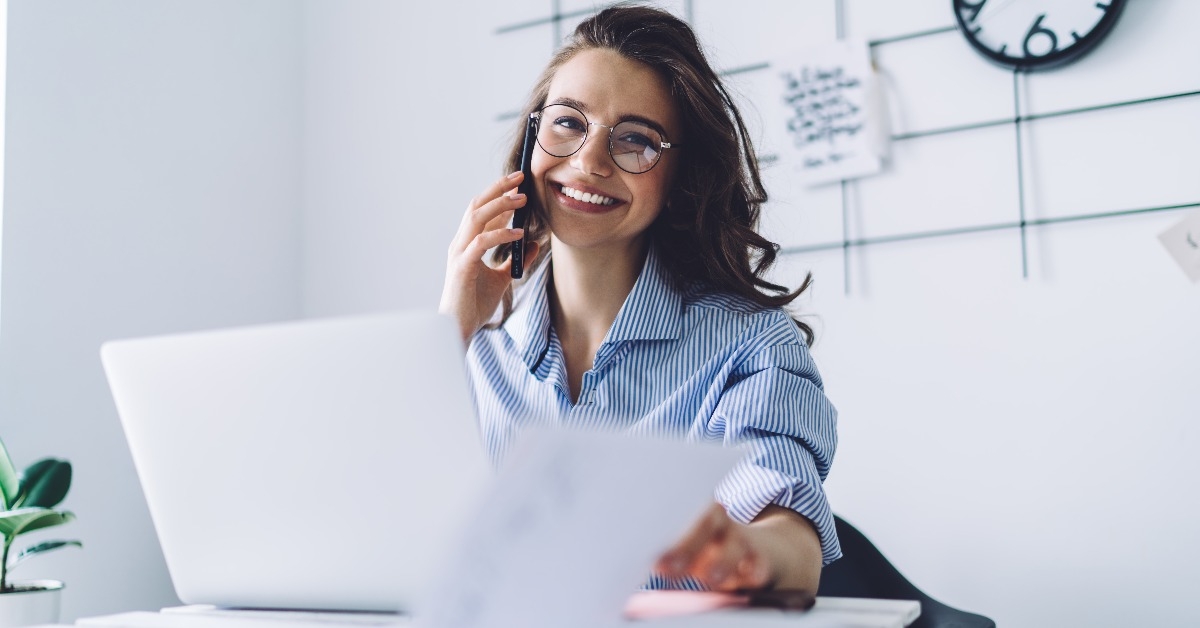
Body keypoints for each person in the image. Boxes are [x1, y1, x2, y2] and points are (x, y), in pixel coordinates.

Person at [439, 4, 838, 593]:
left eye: (636, 140)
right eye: (568, 123)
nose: (589, 161)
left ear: (680, 180)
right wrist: (448, 335)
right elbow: (373, 528)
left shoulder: (749, 345)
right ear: (532, 136)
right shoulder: (472, 354)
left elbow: (792, 537)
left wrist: (744, 550)